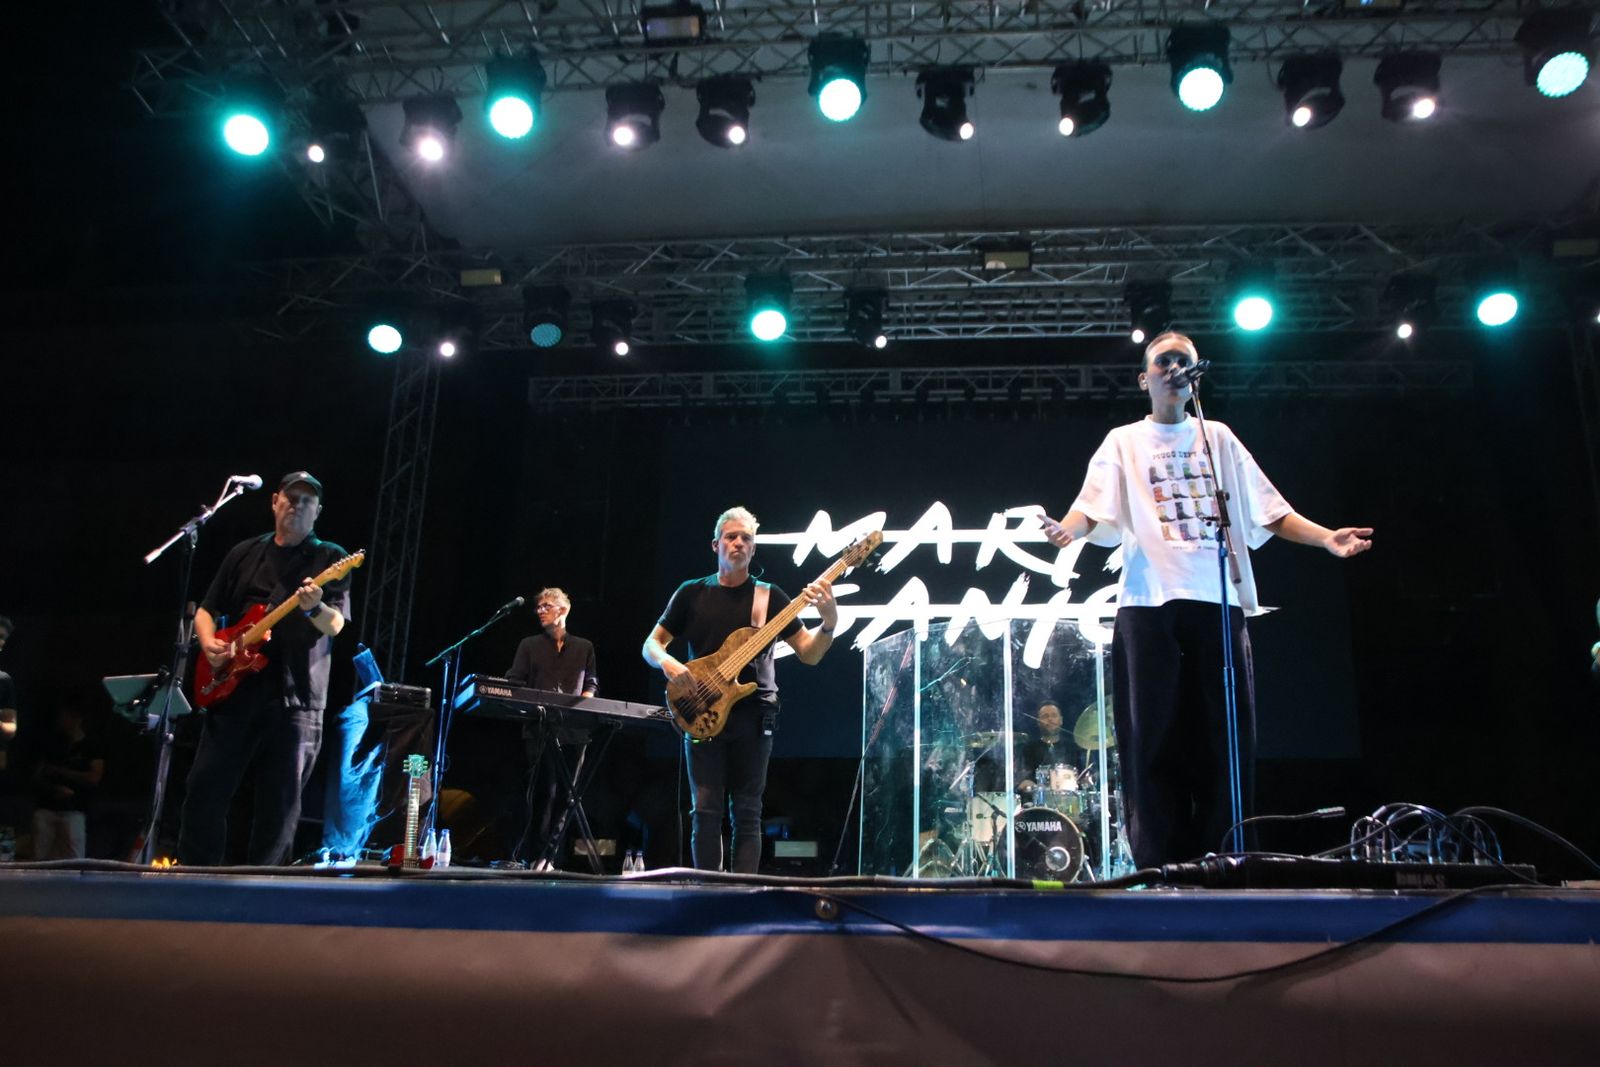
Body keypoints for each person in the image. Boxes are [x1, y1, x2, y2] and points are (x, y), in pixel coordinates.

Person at [1043, 332, 1372, 869]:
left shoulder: (1217, 438)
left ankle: (1227, 860)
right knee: (1151, 739)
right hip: (1148, 604)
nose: (1174, 368)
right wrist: (1068, 530)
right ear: (1143, 378)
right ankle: (1159, 864)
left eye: (1184, 361)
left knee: (1224, 739)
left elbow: (1269, 510)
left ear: (1197, 376)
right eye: (1163, 361)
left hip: (1216, 601)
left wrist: (1326, 538)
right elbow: (1092, 506)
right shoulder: (1123, 440)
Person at [642, 506, 839, 873]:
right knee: (705, 809)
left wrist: (828, 624)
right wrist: (669, 664)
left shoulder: (770, 597)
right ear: (716, 545)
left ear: (753, 548)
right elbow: (651, 644)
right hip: (702, 710)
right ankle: (707, 890)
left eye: (746, 538)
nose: (738, 543)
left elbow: (810, 654)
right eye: (731, 537)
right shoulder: (691, 593)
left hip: (754, 713)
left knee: (748, 811)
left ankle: (741, 892)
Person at [178, 472, 353, 866]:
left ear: (318, 511)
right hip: (234, 688)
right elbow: (206, 610)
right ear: (274, 501)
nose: (297, 505)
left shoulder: (329, 558)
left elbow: (335, 625)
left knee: (280, 803)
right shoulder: (245, 552)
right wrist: (209, 644)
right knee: (204, 788)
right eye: (291, 497)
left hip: (296, 696)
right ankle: (193, 875)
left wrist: (313, 606)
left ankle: (265, 885)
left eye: (307, 500)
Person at [504, 587, 599, 866]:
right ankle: (534, 855)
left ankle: (550, 857)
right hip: (540, 729)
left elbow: (591, 683)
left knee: (568, 796)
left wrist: (582, 709)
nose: (540, 610)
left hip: (575, 732)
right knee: (545, 792)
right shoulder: (529, 645)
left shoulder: (584, 647)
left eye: (546, 606)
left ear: (563, 610)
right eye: (538, 607)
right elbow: (515, 681)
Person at [31, 703, 105, 859]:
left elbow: (94, 777)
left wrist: (61, 772)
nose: (61, 721)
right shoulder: (52, 744)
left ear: (77, 719)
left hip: (74, 809)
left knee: (74, 857)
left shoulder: (91, 746)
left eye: (65, 717)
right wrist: (52, 789)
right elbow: (39, 773)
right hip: (46, 808)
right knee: (41, 857)